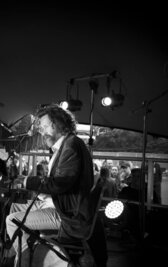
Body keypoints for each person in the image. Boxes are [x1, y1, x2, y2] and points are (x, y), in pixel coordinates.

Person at [6, 104, 106, 267]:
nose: (41, 131)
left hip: (67, 214)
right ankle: (16, 253)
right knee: (14, 208)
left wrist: (26, 181)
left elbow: (58, 184)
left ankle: (26, 260)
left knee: (12, 220)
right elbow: (62, 184)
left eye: (45, 126)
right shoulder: (66, 145)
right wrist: (35, 186)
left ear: (59, 124)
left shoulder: (71, 146)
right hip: (63, 204)